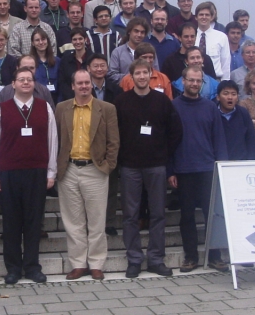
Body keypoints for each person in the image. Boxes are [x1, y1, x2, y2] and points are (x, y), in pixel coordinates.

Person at [0, 67, 58, 284]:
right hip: (9, 173)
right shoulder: (2, 109)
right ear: (13, 84)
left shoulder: (45, 107)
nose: (26, 83)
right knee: (11, 223)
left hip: (37, 171)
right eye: (21, 79)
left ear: (34, 84)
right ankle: (13, 268)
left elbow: (52, 140)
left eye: (29, 79)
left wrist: (51, 171)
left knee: (33, 221)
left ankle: (32, 266)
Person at [114, 59, 183, 278]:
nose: (142, 77)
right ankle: (134, 259)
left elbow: (175, 131)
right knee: (130, 215)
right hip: (130, 166)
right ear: (131, 77)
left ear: (150, 75)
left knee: (157, 214)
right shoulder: (121, 102)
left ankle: (155, 259)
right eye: (138, 73)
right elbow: (114, 134)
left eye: (145, 73)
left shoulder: (162, 101)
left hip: (156, 166)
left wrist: (163, 153)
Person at [55, 70, 119, 281]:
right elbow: (55, 138)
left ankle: (97, 263)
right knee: (73, 221)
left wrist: (108, 166)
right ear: (72, 86)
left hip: (95, 169)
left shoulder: (106, 109)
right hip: (69, 169)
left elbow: (113, 141)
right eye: (79, 83)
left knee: (97, 219)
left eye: (87, 83)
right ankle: (78, 263)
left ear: (92, 85)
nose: (84, 86)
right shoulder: (61, 108)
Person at [170, 66, 228, 273]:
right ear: (183, 81)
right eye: (191, 80)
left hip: (208, 169)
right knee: (186, 216)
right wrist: (171, 171)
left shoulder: (210, 107)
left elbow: (219, 139)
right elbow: (168, 142)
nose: (195, 84)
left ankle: (215, 256)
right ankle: (191, 257)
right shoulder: (173, 106)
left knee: (212, 214)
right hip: (184, 169)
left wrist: (221, 166)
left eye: (198, 81)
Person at [86, 53, 123, 235]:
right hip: (88, 145)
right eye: (95, 66)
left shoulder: (116, 89)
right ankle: (91, 223)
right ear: (88, 69)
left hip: (110, 144)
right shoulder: (83, 89)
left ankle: (108, 223)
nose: (99, 69)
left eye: (102, 66)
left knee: (111, 188)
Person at [108, 18, 160, 82]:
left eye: (142, 32)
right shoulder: (118, 52)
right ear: (129, 31)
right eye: (136, 31)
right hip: (124, 89)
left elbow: (156, 72)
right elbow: (112, 75)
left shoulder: (150, 51)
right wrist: (133, 77)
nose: (139, 35)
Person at [217, 80, 255, 160]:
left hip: (240, 162)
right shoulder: (212, 113)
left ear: (237, 97)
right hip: (218, 162)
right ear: (218, 97)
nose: (230, 97)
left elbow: (250, 139)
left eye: (233, 94)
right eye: (226, 93)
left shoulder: (243, 113)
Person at [194, 2, 231, 80]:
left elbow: (225, 63)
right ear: (196, 17)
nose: (204, 17)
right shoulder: (191, 37)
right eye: (201, 14)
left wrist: (224, 84)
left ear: (211, 17)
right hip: (194, 80)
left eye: (207, 15)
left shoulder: (221, 37)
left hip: (216, 80)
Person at [59, 28, 93, 102]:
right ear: (71, 41)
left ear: (86, 39)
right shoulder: (65, 60)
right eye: (74, 39)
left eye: (80, 39)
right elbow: (62, 82)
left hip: (91, 98)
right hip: (70, 100)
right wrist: (72, 97)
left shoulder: (93, 59)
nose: (78, 42)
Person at [29, 27, 61, 102]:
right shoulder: (30, 62)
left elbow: (61, 85)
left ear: (47, 41)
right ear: (33, 43)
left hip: (55, 100)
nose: (41, 42)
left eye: (43, 39)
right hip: (36, 100)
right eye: (37, 40)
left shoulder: (58, 61)